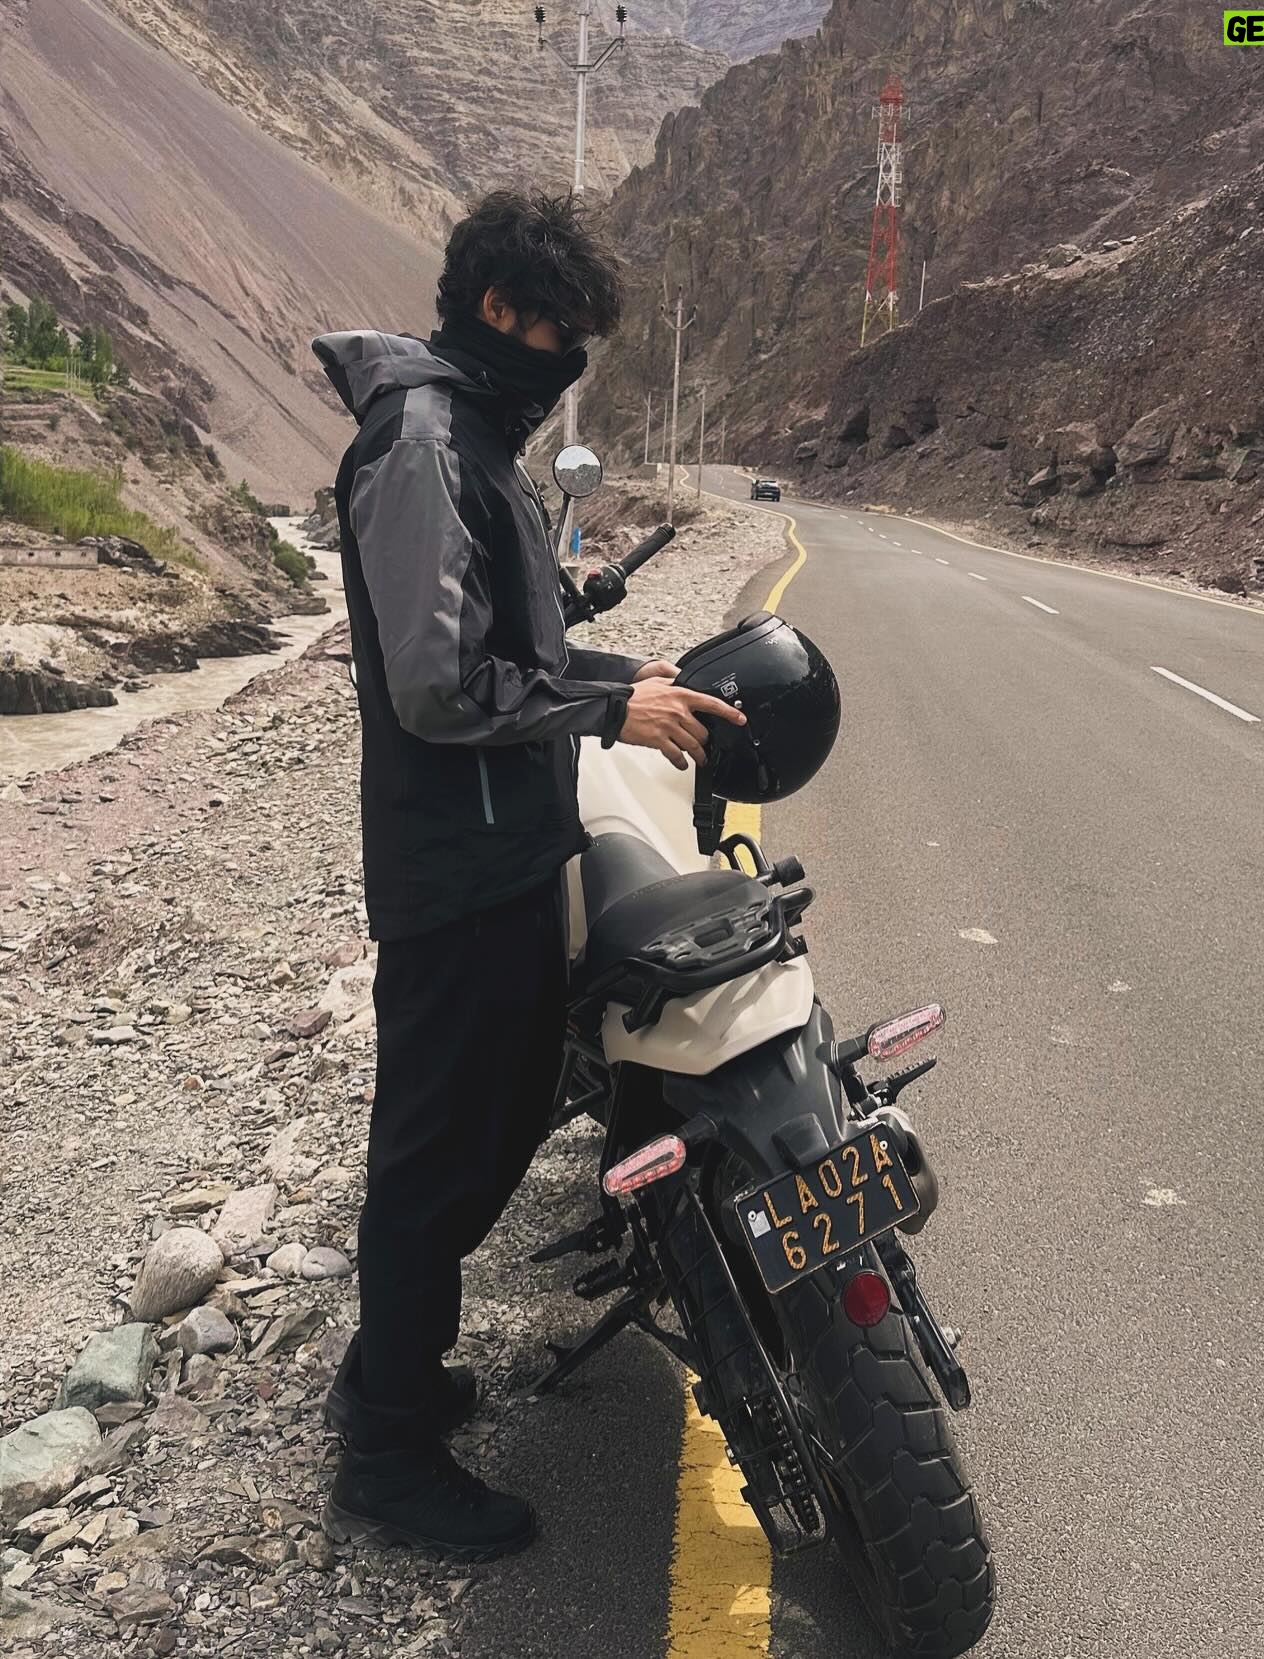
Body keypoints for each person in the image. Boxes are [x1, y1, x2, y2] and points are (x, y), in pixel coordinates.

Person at [310, 190, 745, 1560]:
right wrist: (609, 711)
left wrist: (617, 672)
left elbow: (513, 646)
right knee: (437, 1154)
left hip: (503, 846)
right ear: (500, 309)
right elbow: (438, 686)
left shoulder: (473, 438)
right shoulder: (421, 444)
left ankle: (391, 1374)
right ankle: (387, 1454)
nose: (569, 364)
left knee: (488, 1126)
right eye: (563, 334)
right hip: (452, 863)